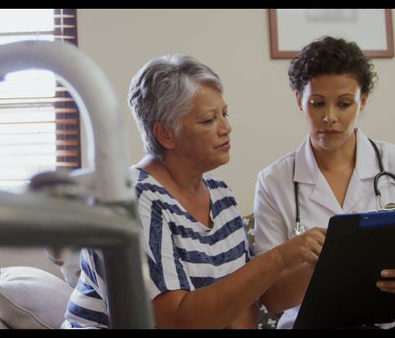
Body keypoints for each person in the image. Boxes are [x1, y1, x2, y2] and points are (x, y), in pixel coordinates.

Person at [62, 54, 326, 328]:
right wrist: (281, 256)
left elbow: (246, 307)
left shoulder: (221, 196)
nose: (227, 128)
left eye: (225, 113)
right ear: (165, 134)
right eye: (209, 120)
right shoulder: (129, 201)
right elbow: (172, 322)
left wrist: (326, 260)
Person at [253, 36, 395, 329]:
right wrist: (324, 263)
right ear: (298, 100)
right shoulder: (273, 181)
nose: (330, 117)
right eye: (317, 103)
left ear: (363, 100)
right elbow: (274, 300)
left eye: (344, 104)